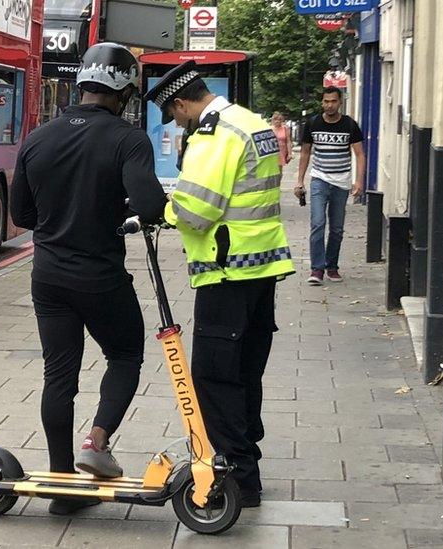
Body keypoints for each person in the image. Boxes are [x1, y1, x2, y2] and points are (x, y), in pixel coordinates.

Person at [10, 42, 167, 515]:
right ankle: (96, 443)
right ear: (124, 90)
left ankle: (61, 487)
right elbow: (152, 206)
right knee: (125, 354)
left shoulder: (38, 137)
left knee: (59, 375)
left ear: (82, 83)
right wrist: (119, 208)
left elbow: (21, 213)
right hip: (100, 278)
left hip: (48, 277)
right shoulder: (127, 139)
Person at [144, 60, 295, 508]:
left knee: (214, 378)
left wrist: (157, 213)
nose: (179, 123)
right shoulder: (252, 123)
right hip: (261, 267)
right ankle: (249, 466)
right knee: (248, 372)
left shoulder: (215, 134)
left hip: (225, 271)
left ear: (181, 102)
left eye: (176, 116)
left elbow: (196, 209)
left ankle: (234, 478)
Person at [296, 87, 365, 285]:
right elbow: (305, 152)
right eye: (326, 101)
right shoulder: (313, 123)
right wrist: (300, 180)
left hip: (341, 181)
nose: (329, 105)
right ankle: (317, 269)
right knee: (318, 223)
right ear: (322, 102)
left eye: (333, 101)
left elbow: (359, 154)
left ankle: (332, 266)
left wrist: (358, 181)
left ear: (340, 102)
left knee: (336, 228)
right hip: (319, 179)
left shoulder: (349, 125)